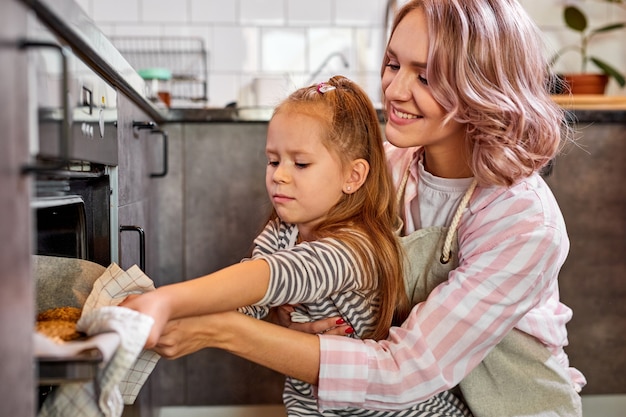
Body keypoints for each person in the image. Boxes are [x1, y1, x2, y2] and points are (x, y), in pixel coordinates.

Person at [126, 1, 586, 416]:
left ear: (482, 85)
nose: (395, 89)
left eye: (425, 76)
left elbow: (405, 371)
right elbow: (290, 271)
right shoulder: (381, 168)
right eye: (392, 64)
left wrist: (219, 329)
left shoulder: (524, 222)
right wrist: (287, 310)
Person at [123, 75, 471, 416]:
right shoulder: (281, 232)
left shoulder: (356, 248)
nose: (279, 175)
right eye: (273, 160)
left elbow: (273, 276)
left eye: (300, 163)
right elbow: (249, 300)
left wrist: (166, 301)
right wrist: (175, 319)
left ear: (353, 176)